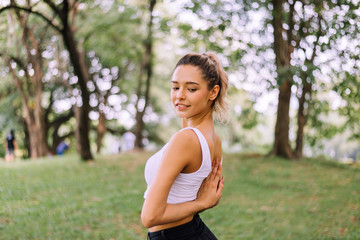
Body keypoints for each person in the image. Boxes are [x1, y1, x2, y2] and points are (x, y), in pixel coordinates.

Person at [141, 52, 228, 240]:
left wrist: (201, 203)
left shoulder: (186, 140)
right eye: (175, 87)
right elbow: (186, 194)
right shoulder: (214, 139)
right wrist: (199, 202)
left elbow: (150, 217)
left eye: (191, 89)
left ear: (213, 92)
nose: (179, 96)